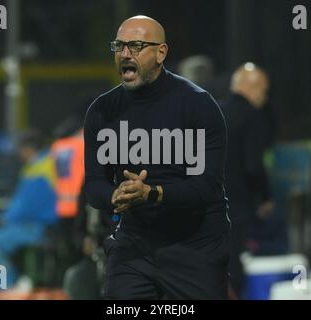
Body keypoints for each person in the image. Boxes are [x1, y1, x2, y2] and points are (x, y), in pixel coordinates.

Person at [84, 15, 230, 299]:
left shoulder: (197, 105)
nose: (125, 54)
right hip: (133, 246)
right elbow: (93, 184)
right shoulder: (102, 111)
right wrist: (115, 196)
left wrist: (152, 193)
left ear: (161, 52)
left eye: (136, 45)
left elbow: (208, 186)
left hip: (195, 246)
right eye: (119, 46)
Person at [0, 129, 58, 288]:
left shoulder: (39, 170)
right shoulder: (48, 163)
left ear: (27, 148)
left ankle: (6, 288)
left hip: (35, 228)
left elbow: (20, 210)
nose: (18, 154)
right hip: (41, 225)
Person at [220, 63, 274, 298]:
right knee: (233, 267)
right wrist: (265, 196)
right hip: (236, 203)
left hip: (205, 202)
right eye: (264, 90)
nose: (264, 97)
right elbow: (253, 165)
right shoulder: (253, 117)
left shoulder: (214, 111)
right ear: (253, 88)